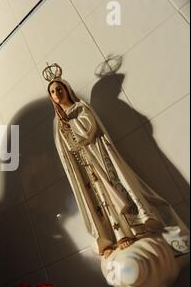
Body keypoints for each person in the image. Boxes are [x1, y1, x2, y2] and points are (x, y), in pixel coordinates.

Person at [43, 63, 189, 259]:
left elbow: (87, 131)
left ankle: (140, 229)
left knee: (117, 188)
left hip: (100, 157)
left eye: (59, 88)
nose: (57, 93)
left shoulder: (81, 108)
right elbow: (65, 148)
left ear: (67, 90)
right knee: (100, 198)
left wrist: (71, 126)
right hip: (84, 167)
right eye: (52, 91)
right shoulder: (57, 122)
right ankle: (118, 234)